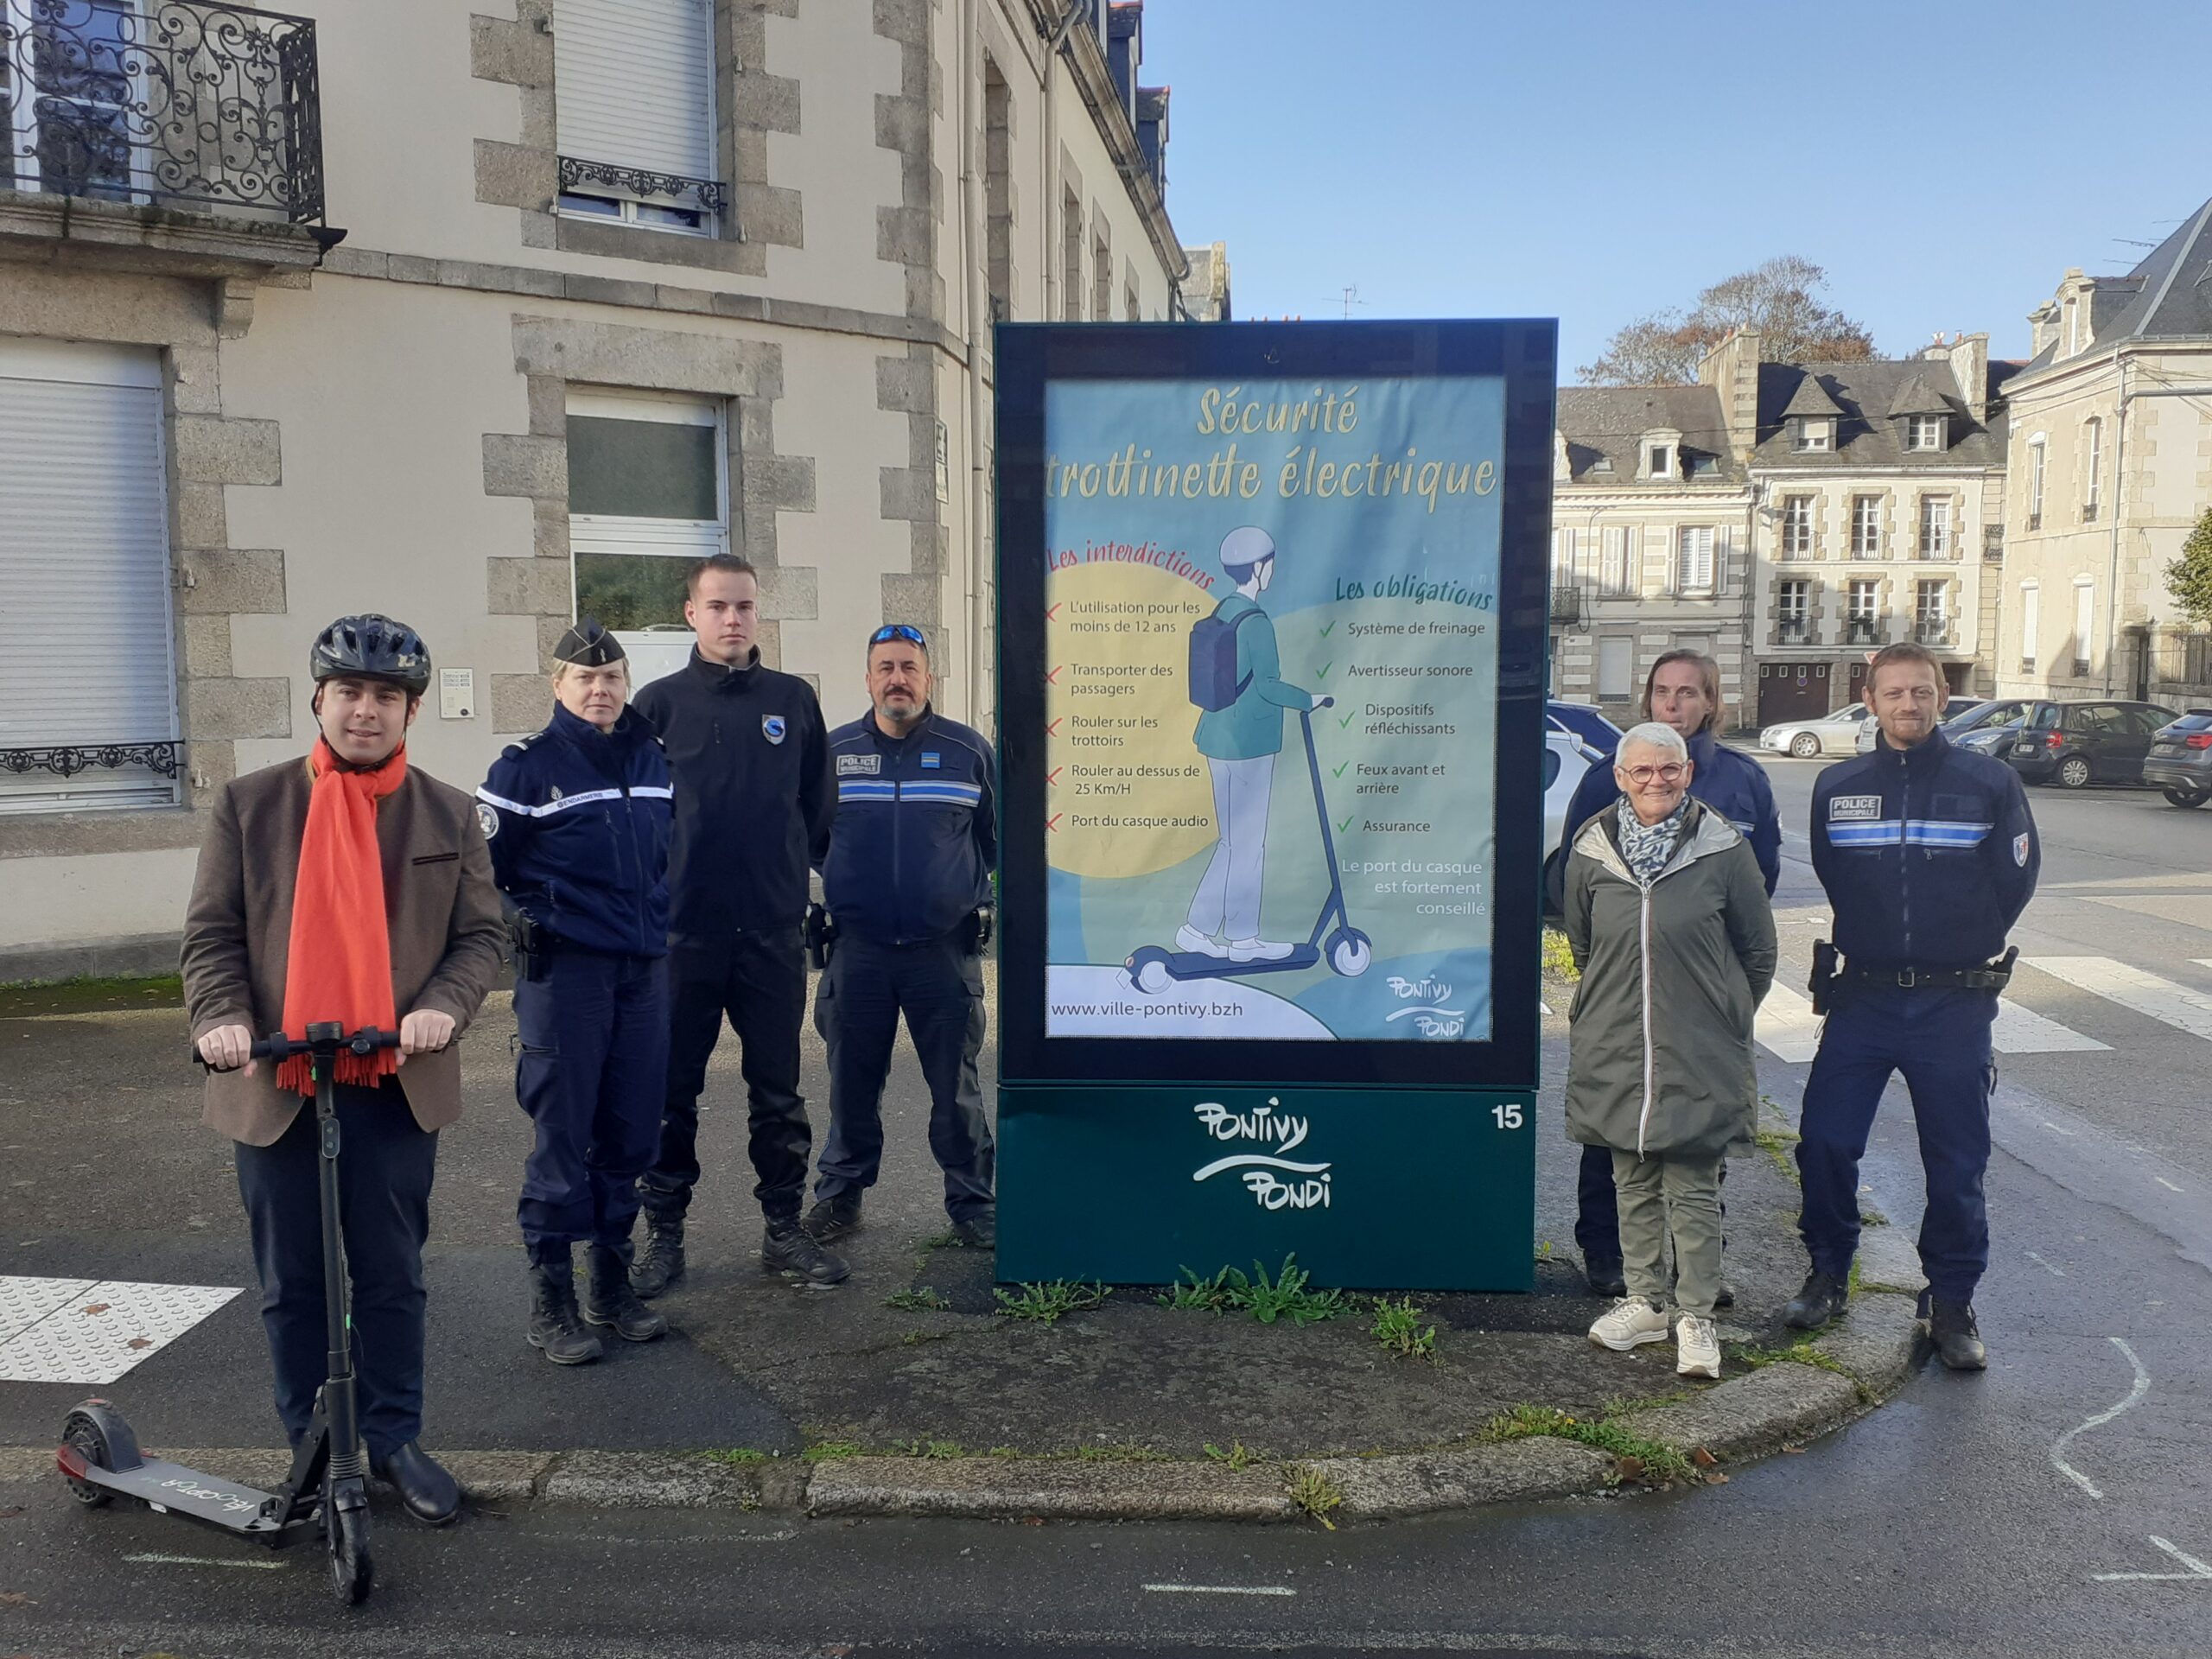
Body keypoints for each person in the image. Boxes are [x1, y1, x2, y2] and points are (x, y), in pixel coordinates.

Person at [181, 613, 504, 1525]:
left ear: (411, 712)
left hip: (395, 1077)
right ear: (319, 699)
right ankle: (311, 1442)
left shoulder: (446, 812)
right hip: (276, 1080)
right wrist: (224, 1019)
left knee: (391, 1272)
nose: (368, 711)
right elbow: (211, 935)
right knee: (293, 1278)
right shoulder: (250, 806)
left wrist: (445, 1005)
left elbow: (482, 935)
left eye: (388, 697)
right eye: (351, 692)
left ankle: (395, 1436)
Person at [1787, 643, 2038, 1370]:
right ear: (1870, 700)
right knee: (1826, 1141)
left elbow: (2014, 882)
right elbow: (1836, 876)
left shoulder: (1988, 781)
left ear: (1941, 697)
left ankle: (1952, 1302)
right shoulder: (1837, 785)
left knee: (1956, 1161)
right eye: (1894, 694)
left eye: (1922, 692)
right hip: (1862, 996)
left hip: (1954, 1002)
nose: (1909, 705)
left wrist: (1956, 940)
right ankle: (1829, 1272)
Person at [627, 554, 844, 1292]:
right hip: (680, 939)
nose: (733, 619)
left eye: (745, 607)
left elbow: (817, 809)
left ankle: (784, 1230)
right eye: (718, 606)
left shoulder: (794, 699)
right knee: (669, 1094)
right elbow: (635, 817)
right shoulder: (655, 706)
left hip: (772, 935)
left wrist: (781, 877)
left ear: (759, 613)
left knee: (777, 1092)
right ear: (691, 613)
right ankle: (663, 1237)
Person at [477, 619, 673, 1365]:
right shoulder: (524, 770)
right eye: (585, 679)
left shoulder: (653, 757)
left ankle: (610, 1284)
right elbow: (480, 874)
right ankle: (552, 1297)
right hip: (566, 976)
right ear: (557, 686)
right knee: (563, 1133)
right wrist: (523, 922)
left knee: (630, 1130)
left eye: (613, 678)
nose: (601, 690)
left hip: (643, 971)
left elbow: (667, 857)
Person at [1556, 650, 1779, 1300]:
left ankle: (1696, 1273)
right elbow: (1579, 904)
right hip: (1625, 998)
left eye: (1688, 693)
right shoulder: (1606, 778)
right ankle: (1608, 1254)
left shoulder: (1741, 782)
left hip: (1701, 998)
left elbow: (1758, 900)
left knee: (1697, 1142)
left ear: (1710, 703)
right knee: (1613, 1133)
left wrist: (1731, 1001)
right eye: (1662, 692)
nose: (1673, 704)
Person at [802, 625, 999, 1247]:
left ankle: (973, 1204)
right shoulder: (832, 753)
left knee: (956, 1088)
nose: (897, 679)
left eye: (909, 667)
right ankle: (840, 1198)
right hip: (857, 950)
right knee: (851, 1083)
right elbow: (811, 842)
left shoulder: (969, 751)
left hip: (942, 951)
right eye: (885, 667)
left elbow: (994, 840)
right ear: (867, 679)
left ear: (928, 677)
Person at [1179, 525, 1319, 963]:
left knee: (1230, 840)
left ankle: (1197, 929)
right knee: (1248, 843)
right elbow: (1271, 685)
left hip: (1216, 737)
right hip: (1250, 743)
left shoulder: (1223, 611)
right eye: (1270, 563)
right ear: (1259, 568)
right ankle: (1242, 940)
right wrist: (1310, 701)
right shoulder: (1256, 622)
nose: (1271, 570)